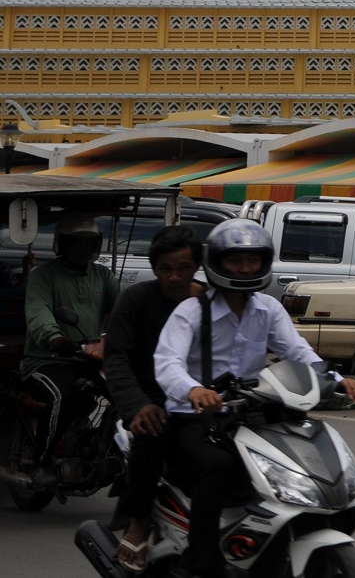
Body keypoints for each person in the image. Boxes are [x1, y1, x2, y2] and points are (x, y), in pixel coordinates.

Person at [154, 219, 355, 578]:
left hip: (249, 414)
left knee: (298, 456)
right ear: (217, 262)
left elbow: (298, 352)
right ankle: (199, 562)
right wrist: (193, 389)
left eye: (253, 260)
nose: (245, 268)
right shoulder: (192, 311)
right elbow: (167, 362)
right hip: (194, 417)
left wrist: (337, 379)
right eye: (236, 260)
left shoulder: (268, 309)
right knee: (220, 467)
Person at [101, 225, 202, 574]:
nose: (175, 277)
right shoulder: (135, 300)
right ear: (154, 268)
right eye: (166, 268)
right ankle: (139, 521)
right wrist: (137, 404)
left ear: (196, 267)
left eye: (184, 268)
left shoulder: (210, 302)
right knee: (153, 430)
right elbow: (116, 358)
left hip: (202, 398)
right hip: (150, 398)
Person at [21, 215, 121, 471]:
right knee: (62, 396)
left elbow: (123, 311)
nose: (83, 249)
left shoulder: (102, 275)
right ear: (62, 243)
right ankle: (42, 463)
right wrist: (55, 337)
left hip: (89, 358)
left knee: (127, 391)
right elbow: (39, 311)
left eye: (89, 243)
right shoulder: (43, 276)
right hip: (48, 359)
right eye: (77, 242)